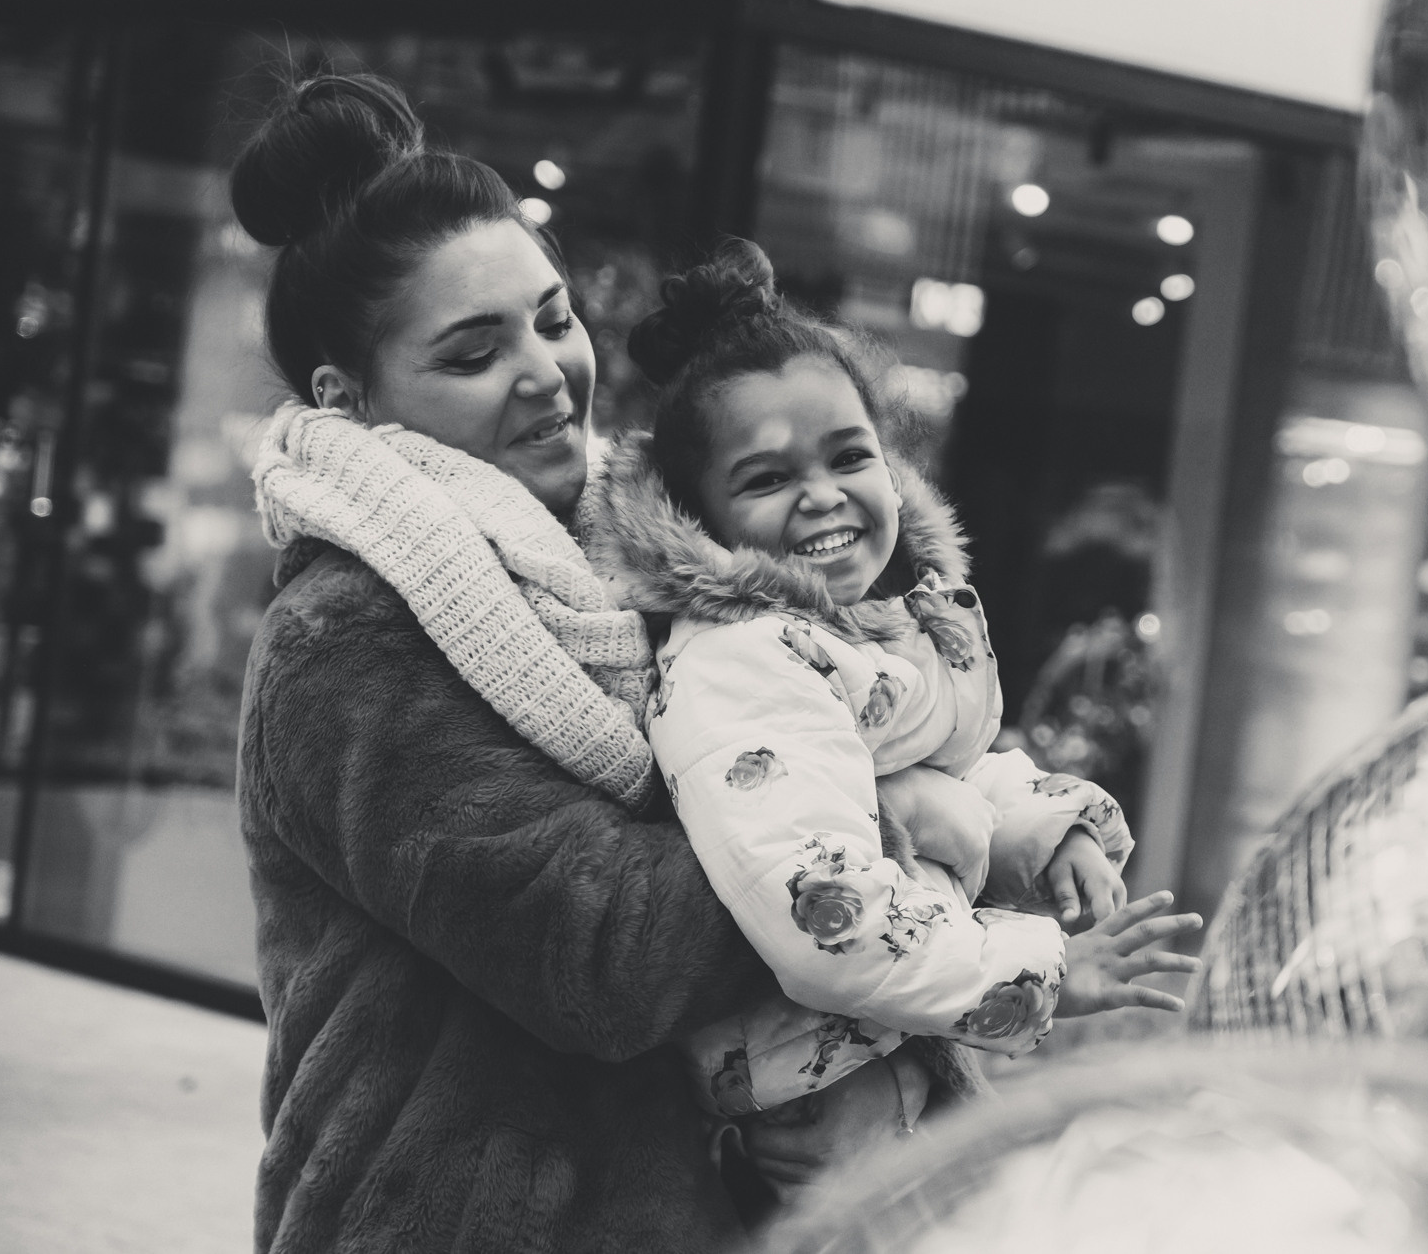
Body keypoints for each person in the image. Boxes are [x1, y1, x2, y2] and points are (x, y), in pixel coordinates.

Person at [232, 72, 773, 1254]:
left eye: (552, 317)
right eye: (475, 352)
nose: (546, 371)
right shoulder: (346, 641)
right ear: (350, 397)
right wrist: (861, 828)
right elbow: (603, 955)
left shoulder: (635, 564)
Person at [579, 239, 1203, 1207]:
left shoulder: (878, 627)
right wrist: (1044, 971)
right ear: (697, 517)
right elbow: (824, 919)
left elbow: (947, 768)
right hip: (826, 1086)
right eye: (764, 478)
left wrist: (1046, 825)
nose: (821, 494)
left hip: (896, 1040)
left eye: (847, 455)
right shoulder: (743, 663)